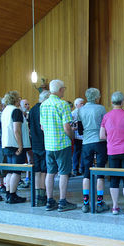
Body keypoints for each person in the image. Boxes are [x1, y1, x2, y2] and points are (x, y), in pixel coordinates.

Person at [40, 80, 77, 212]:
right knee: (63, 173)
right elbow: (67, 127)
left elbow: (42, 127)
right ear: (61, 89)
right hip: (61, 144)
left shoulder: (43, 105)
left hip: (48, 145)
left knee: (50, 173)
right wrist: (72, 135)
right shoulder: (63, 104)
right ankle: (62, 201)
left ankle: (50, 201)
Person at [100, 91, 124, 215]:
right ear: (122, 103)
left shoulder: (106, 116)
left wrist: (111, 139)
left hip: (112, 150)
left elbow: (101, 135)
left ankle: (115, 207)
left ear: (111, 102)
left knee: (114, 179)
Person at [78, 88, 109, 213]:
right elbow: (105, 127)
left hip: (86, 143)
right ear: (97, 97)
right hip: (100, 142)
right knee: (100, 172)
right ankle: (100, 202)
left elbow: (80, 130)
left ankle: (85, 203)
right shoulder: (101, 109)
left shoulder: (81, 110)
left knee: (86, 172)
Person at [1, 91, 28, 204]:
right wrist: (20, 146)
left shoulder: (5, 111)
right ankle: (12, 195)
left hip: (6, 143)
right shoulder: (15, 111)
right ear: (15, 100)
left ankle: (8, 193)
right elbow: (16, 130)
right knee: (16, 171)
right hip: (15, 144)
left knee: (10, 171)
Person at [28, 90, 50, 206]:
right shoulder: (45, 108)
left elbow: (30, 127)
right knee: (45, 171)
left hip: (35, 143)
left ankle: (38, 196)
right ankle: (44, 194)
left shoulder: (32, 110)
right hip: (45, 142)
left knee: (37, 171)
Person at [71, 98, 85, 175]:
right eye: (81, 103)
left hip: (84, 136)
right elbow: (71, 125)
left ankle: (82, 168)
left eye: (83, 103)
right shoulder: (73, 114)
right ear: (76, 105)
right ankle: (75, 169)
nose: (83, 105)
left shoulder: (86, 112)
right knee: (76, 153)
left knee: (84, 153)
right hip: (77, 136)